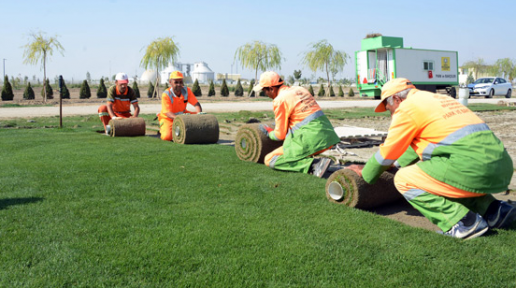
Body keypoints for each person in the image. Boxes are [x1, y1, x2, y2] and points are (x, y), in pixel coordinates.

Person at [347, 78, 515, 239]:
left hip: (474, 168)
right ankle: (495, 210)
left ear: (397, 99)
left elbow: (387, 152)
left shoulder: (407, 109)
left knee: (404, 179)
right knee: (444, 176)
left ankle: (463, 223)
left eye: (388, 107)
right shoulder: (437, 99)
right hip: (501, 166)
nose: (390, 113)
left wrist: (366, 173)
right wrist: (396, 164)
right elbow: (412, 150)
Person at [252, 71, 340, 177]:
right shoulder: (300, 89)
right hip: (328, 138)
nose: (265, 94)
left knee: (269, 159)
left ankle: (314, 165)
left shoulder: (280, 100)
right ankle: (313, 160)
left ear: (271, 88)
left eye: (264, 91)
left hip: (312, 140)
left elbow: (279, 135)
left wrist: (269, 132)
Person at [158, 71, 202, 141]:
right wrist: (181, 120)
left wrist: (199, 115)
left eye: (180, 82)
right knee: (167, 137)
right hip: (168, 118)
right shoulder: (166, 94)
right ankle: (162, 129)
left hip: (183, 115)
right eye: (176, 82)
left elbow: (196, 104)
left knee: (199, 116)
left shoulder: (187, 91)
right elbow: (168, 113)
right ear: (170, 82)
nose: (179, 84)